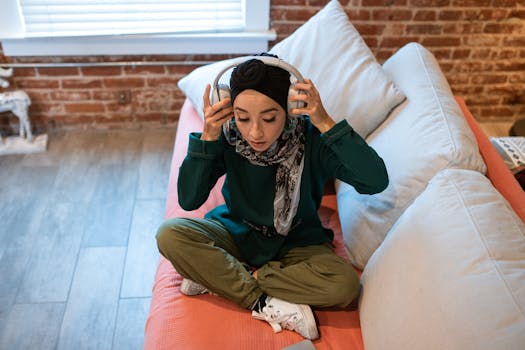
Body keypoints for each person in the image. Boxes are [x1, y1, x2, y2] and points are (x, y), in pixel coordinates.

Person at [156, 54, 389, 340]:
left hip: (298, 241)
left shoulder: (312, 138)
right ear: (231, 109)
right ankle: (262, 301)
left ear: (290, 108)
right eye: (243, 118)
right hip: (236, 231)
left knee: (344, 286)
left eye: (269, 118)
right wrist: (209, 134)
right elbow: (189, 199)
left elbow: (375, 180)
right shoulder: (228, 136)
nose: (255, 132)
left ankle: (227, 277)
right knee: (170, 234)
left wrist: (325, 122)